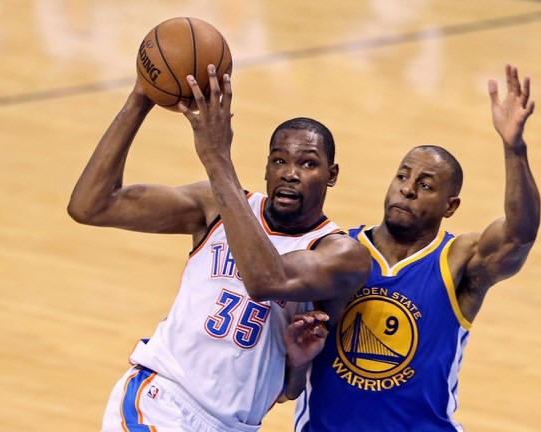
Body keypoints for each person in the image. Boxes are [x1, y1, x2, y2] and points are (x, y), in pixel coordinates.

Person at [67, 65, 370, 432]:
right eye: (279, 160)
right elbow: (91, 206)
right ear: (266, 168)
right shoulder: (213, 205)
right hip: (164, 401)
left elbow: (265, 283)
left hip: (235, 425)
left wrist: (296, 362)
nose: (290, 173)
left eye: (308, 164)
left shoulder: (341, 254)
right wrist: (141, 99)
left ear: (332, 175)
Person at [290, 64, 541, 432]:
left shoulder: (457, 260)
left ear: (450, 206)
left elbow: (519, 236)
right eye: (402, 176)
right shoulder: (339, 251)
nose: (407, 189)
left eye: (425, 185)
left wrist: (514, 149)